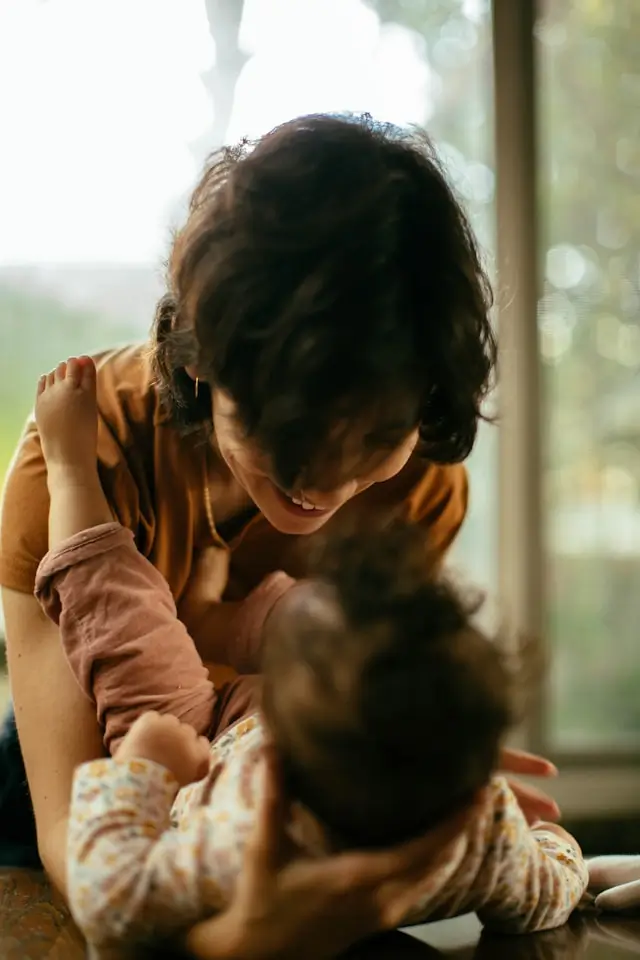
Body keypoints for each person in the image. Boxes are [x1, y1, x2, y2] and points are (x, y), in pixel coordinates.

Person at [0, 114, 559, 951]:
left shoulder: (419, 480)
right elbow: (86, 873)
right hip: (95, 802)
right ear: (198, 359)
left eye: (373, 437)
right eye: (283, 437)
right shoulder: (81, 463)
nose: (324, 485)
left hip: (285, 787)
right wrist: (235, 942)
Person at [33, 356, 588, 952]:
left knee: (120, 621)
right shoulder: (483, 837)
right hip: (328, 720)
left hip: (204, 738)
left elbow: (112, 902)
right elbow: (554, 882)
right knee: (329, 628)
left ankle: (72, 477)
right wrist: (545, 840)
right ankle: (207, 615)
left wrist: (143, 770)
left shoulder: (235, 834)